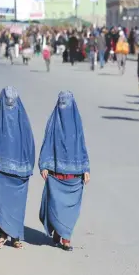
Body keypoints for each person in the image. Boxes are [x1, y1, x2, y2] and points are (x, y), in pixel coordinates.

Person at [0, 86, 35, 250]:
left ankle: (16, 236)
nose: (9, 107)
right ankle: (3, 235)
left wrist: (29, 166)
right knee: (0, 203)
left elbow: (29, 144)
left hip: (19, 171)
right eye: (7, 103)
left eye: (12, 103)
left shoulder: (23, 120)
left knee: (17, 205)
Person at [39, 91, 90, 252]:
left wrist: (86, 169)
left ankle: (66, 237)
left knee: (70, 207)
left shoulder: (76, 123)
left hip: (73, 173)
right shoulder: (53, 122)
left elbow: (82, 146)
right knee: (56, 203)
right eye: (61, 104)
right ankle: (58, 229)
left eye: (66, 104)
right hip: (56, 173)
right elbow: (47, 143)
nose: (63, 107)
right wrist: (44, 165)